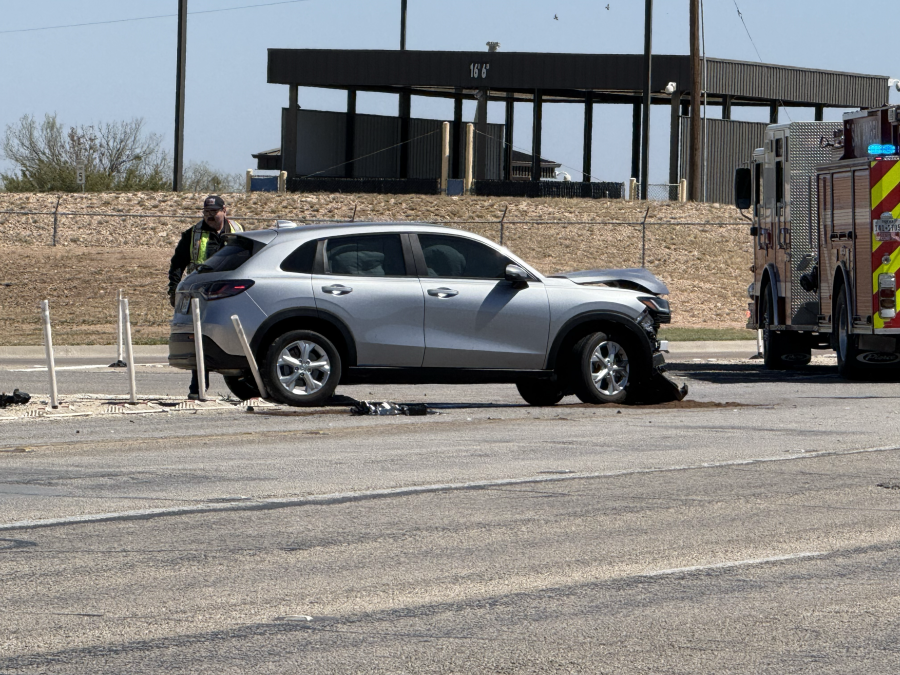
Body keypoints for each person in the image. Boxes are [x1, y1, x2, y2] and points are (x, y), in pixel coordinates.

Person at [168, 195, 243, 399]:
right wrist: (174, 290)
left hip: (231, 292)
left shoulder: (239, 231)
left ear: (224, 211)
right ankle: (198, 388)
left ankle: (246, 388)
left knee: (236, 337)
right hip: (201, 293)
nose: (210, 216)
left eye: (214, 212)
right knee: (200, 339)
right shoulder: (193, 234)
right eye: (206, 212)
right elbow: (177, 264)